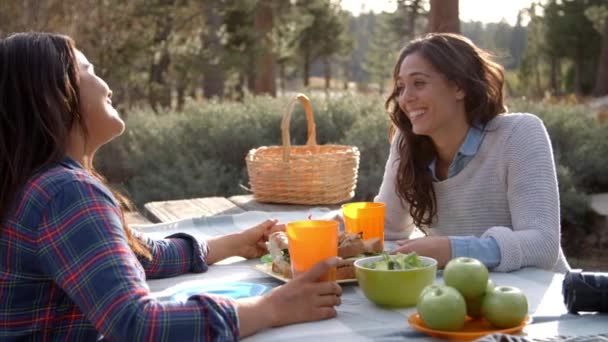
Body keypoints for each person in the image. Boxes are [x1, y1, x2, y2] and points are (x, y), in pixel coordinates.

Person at [0, 32, 342, 341]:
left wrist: (232, 244)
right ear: (54, 96)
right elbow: (139, 326)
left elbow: (134, 256)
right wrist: (270, 309)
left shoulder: (36, 184)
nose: (107, 86)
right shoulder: (66, 194)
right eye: (89, 70)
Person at [375, 33, 570, 273]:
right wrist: (329, 226)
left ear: (459, 87)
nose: (405, 99)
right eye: (401, 87)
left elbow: (543, 245)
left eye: (419, 83)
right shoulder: (408, 142)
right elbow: (387, 227)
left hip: (546, 300)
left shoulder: (518, 134)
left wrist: (452, 250)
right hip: (460, 299)